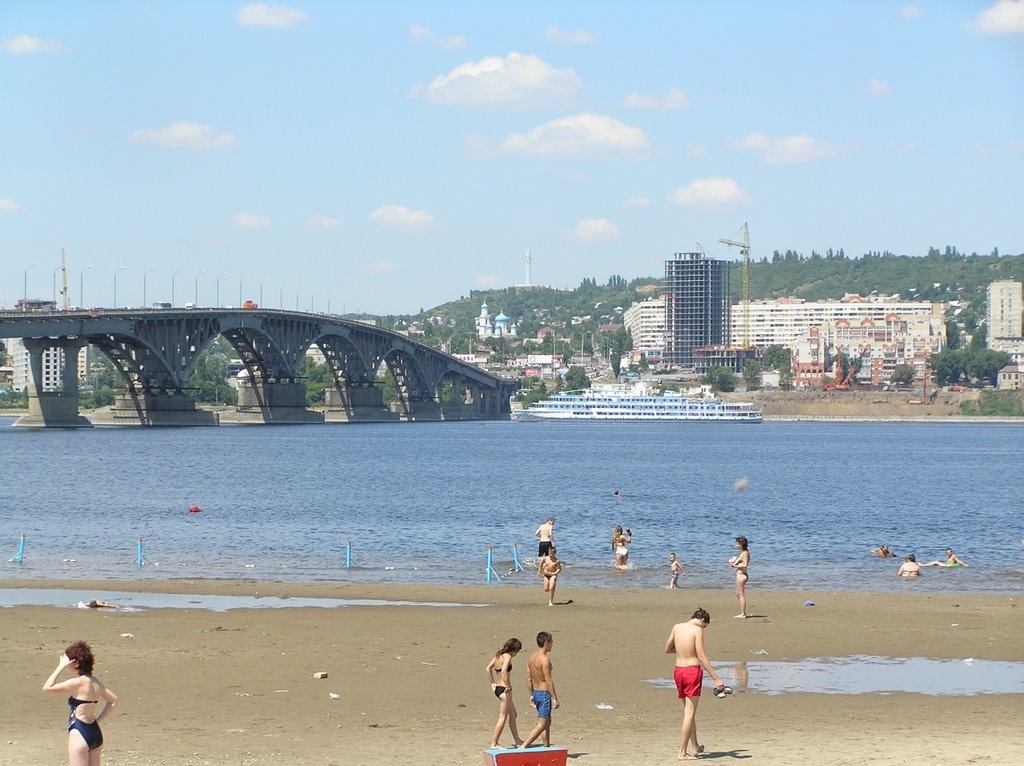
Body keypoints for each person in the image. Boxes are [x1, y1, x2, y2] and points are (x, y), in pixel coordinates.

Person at [665, 607, 729, 761]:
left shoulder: (677, 627)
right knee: (689, 714)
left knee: (689, 712)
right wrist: (716, 678)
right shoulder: (697, 630)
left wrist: (683, 651)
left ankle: (694, 747)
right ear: (702, 621)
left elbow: (668, 649)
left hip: (678, 671)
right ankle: (681, 753)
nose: (704, 629)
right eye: (705, 626)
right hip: (691, 672)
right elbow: (701, 656)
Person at [42, 640, 118, 766]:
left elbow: (47, 687)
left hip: (79, 731)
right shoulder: (96, 682)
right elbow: (113, 700)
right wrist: (98, 720)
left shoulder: (79, 682)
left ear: (75, 663)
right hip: (94, 731)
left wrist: (60, 666)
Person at [520, 631, 558, 749]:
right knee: (542, 724)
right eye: (551, 642)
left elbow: (528, 678)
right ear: (546, 643)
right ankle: (524, 746)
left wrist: (531, 694)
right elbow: (548, 680)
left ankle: (546, 747)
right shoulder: (544, 659)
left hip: (536, 692)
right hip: (544, 693)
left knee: (547, 721)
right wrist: (554, 698)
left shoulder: (531, 658)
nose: (553, 644)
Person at [485, 637, 524, 749]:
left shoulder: (498, 655)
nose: (517, 653)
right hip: (504, 689)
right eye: (517, 651)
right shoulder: (507, 656)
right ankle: (494, 743)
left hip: (498, 688)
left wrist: (492, 683)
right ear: (513, 649)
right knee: (502, 717)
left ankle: (517, 740)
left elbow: (488, 668)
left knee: (513, 714)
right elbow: (503, 672)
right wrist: (508, 686)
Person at [729, 536, 750, 618]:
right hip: (740, 574)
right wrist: (734, 562)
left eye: (738, 543)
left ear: (742, 543)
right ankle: (743, 612)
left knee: (741, 594)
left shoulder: (745, 553)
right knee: (738, 594)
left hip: (742, 575)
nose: (736, 544)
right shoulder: (742, 552)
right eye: (736, 542)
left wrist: (734, 566)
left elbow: (745, 565)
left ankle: (743, 614)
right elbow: (740, 562)